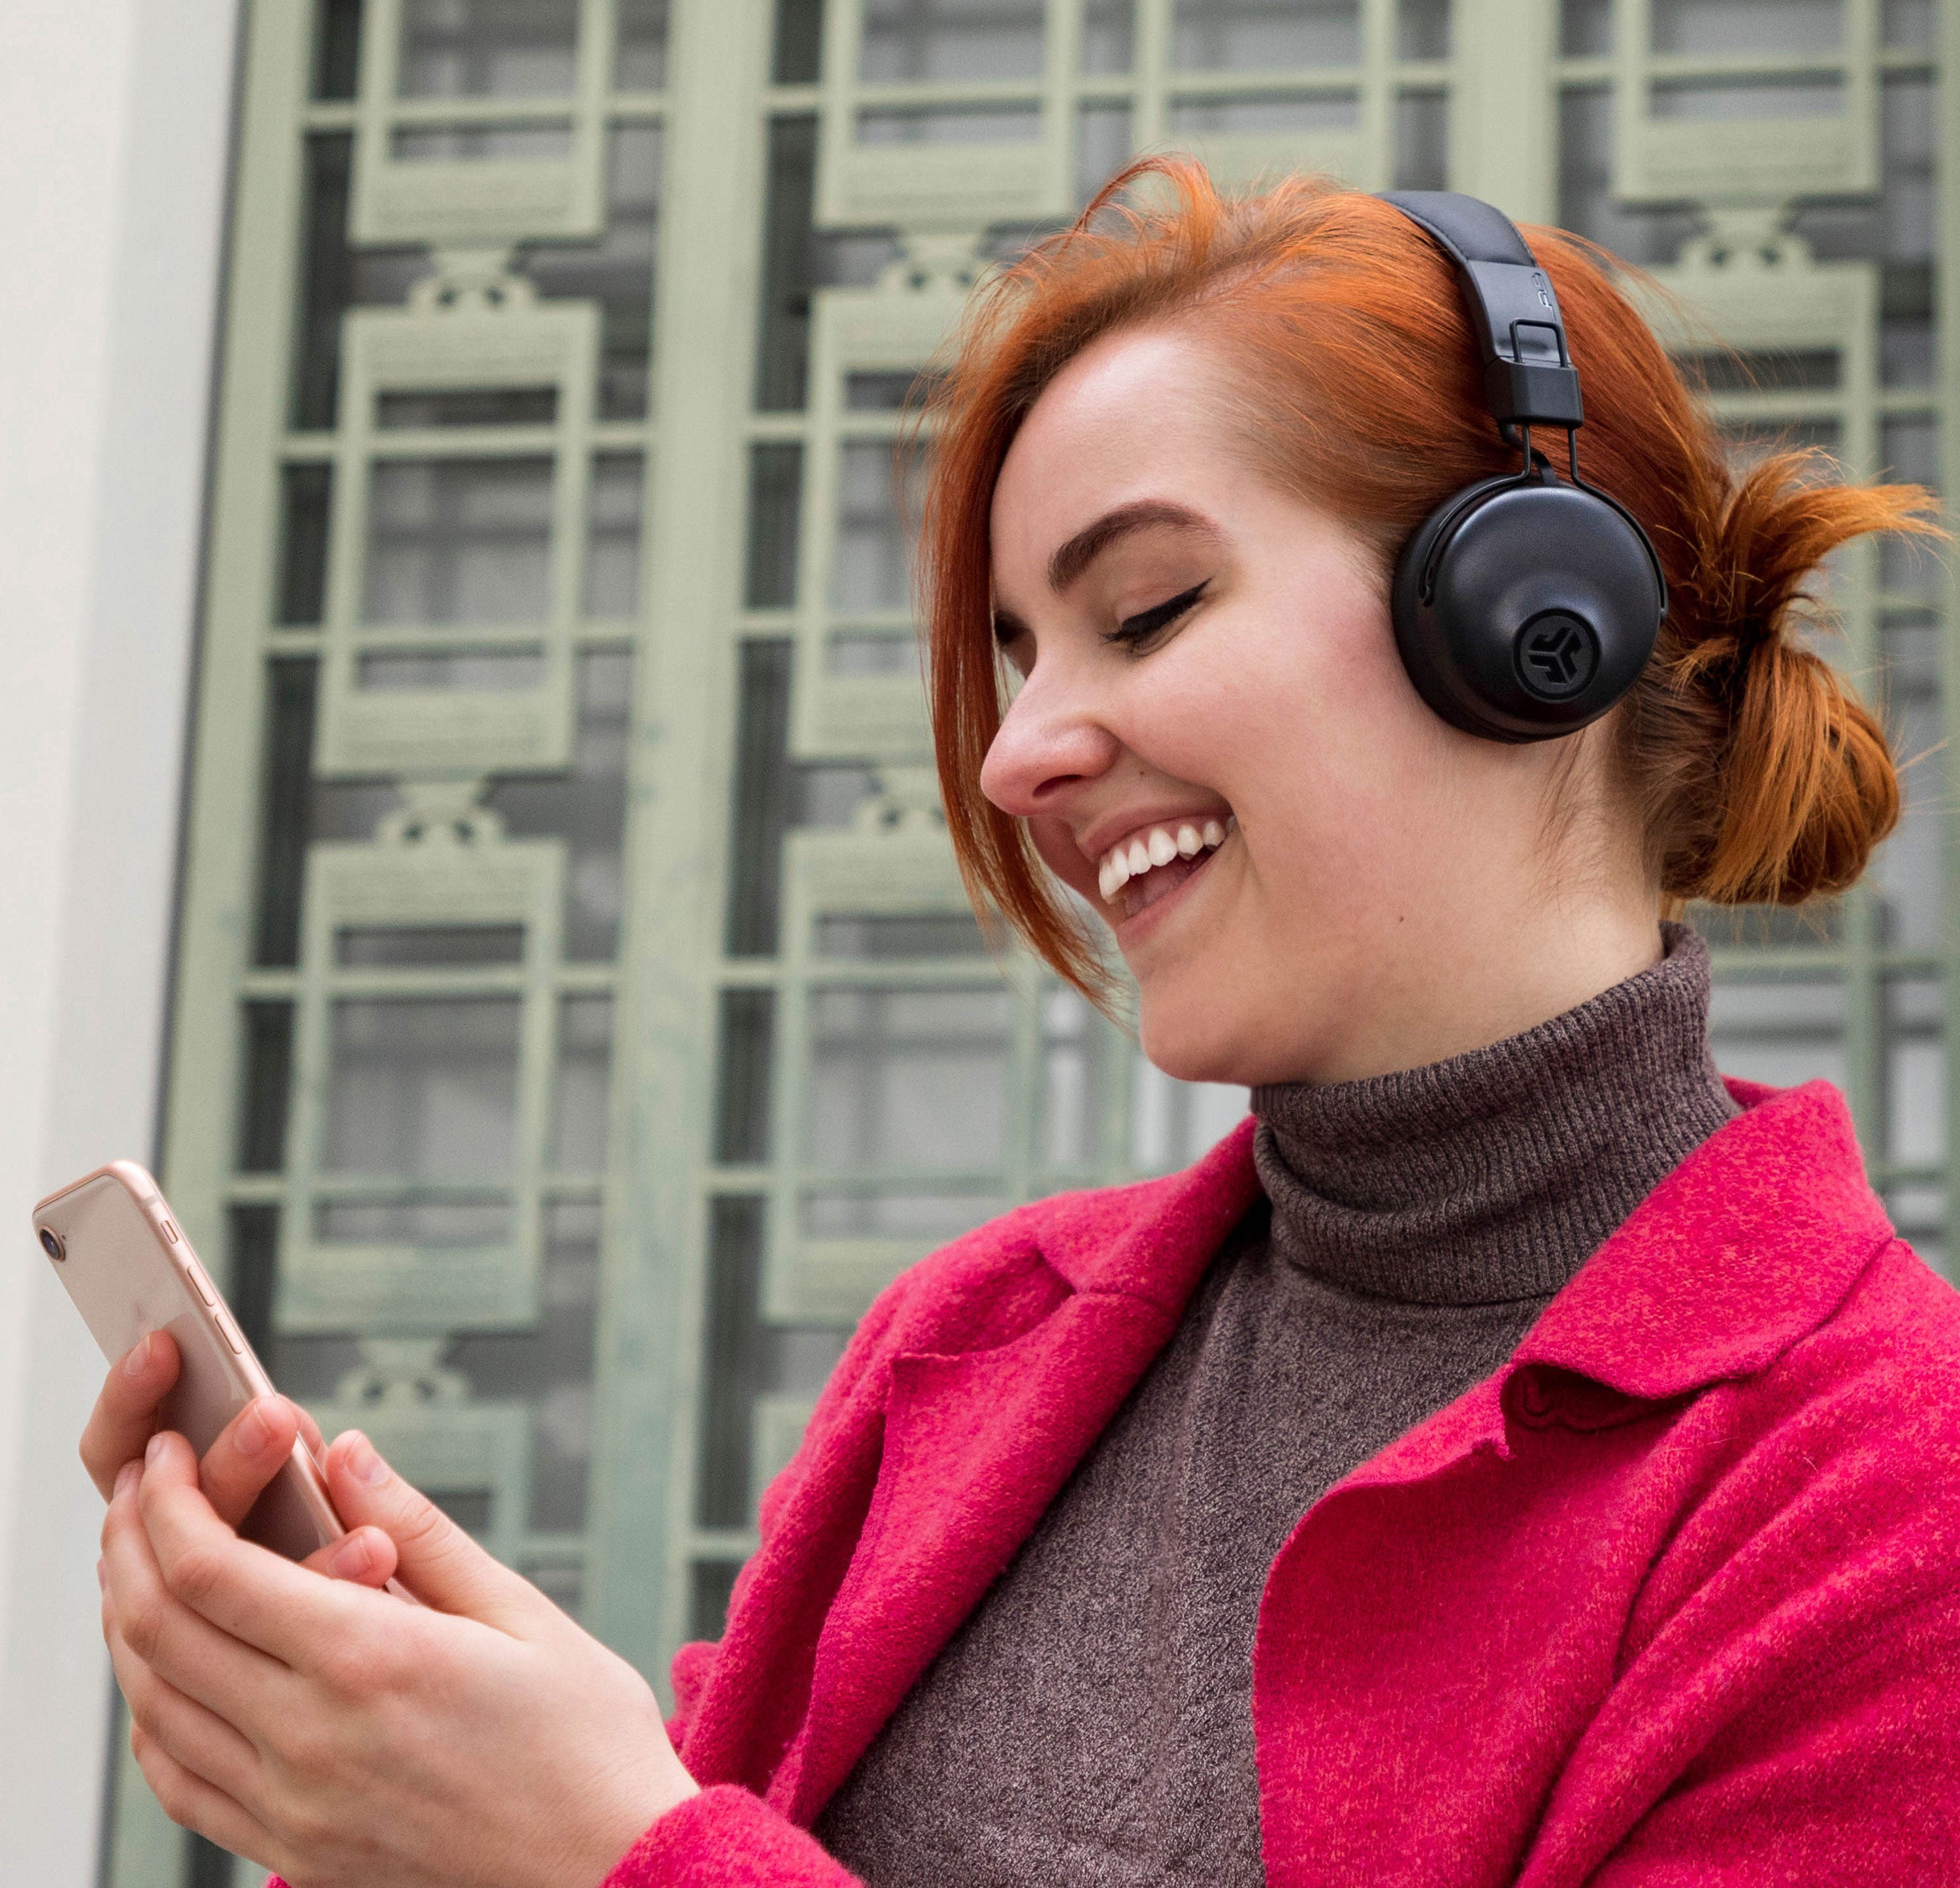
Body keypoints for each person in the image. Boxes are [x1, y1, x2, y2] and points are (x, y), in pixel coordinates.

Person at [87, 163, 1960, 1887]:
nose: (1016, 756)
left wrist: (608, 1855)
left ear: (1527, 612)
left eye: (1142, 610)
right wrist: (409, 1776)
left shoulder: (1886, 1500)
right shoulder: (972, 1350)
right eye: (1013, 654)